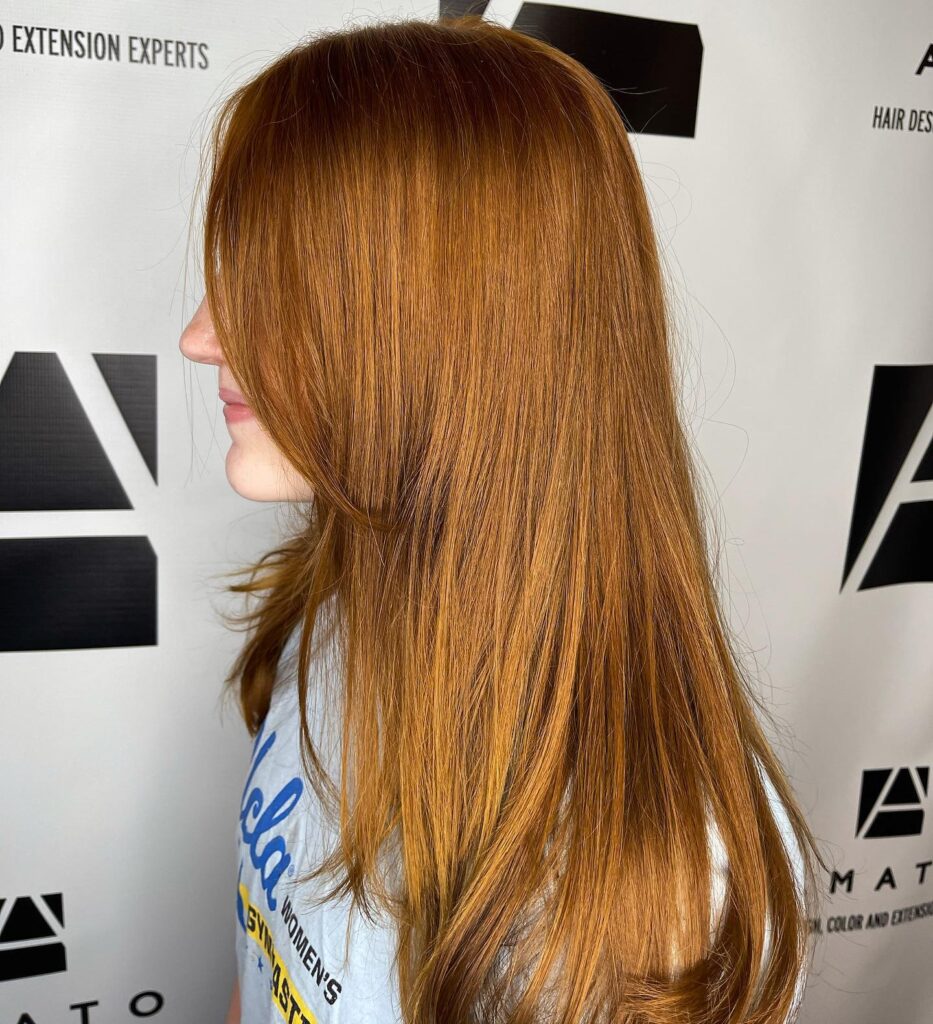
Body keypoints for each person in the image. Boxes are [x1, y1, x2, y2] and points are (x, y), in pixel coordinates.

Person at [178, 14, 825, 1024]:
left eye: (280, 290)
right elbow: (262, 969)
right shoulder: (345, 592)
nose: (199, 337)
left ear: (451, 332)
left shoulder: (655, 889)